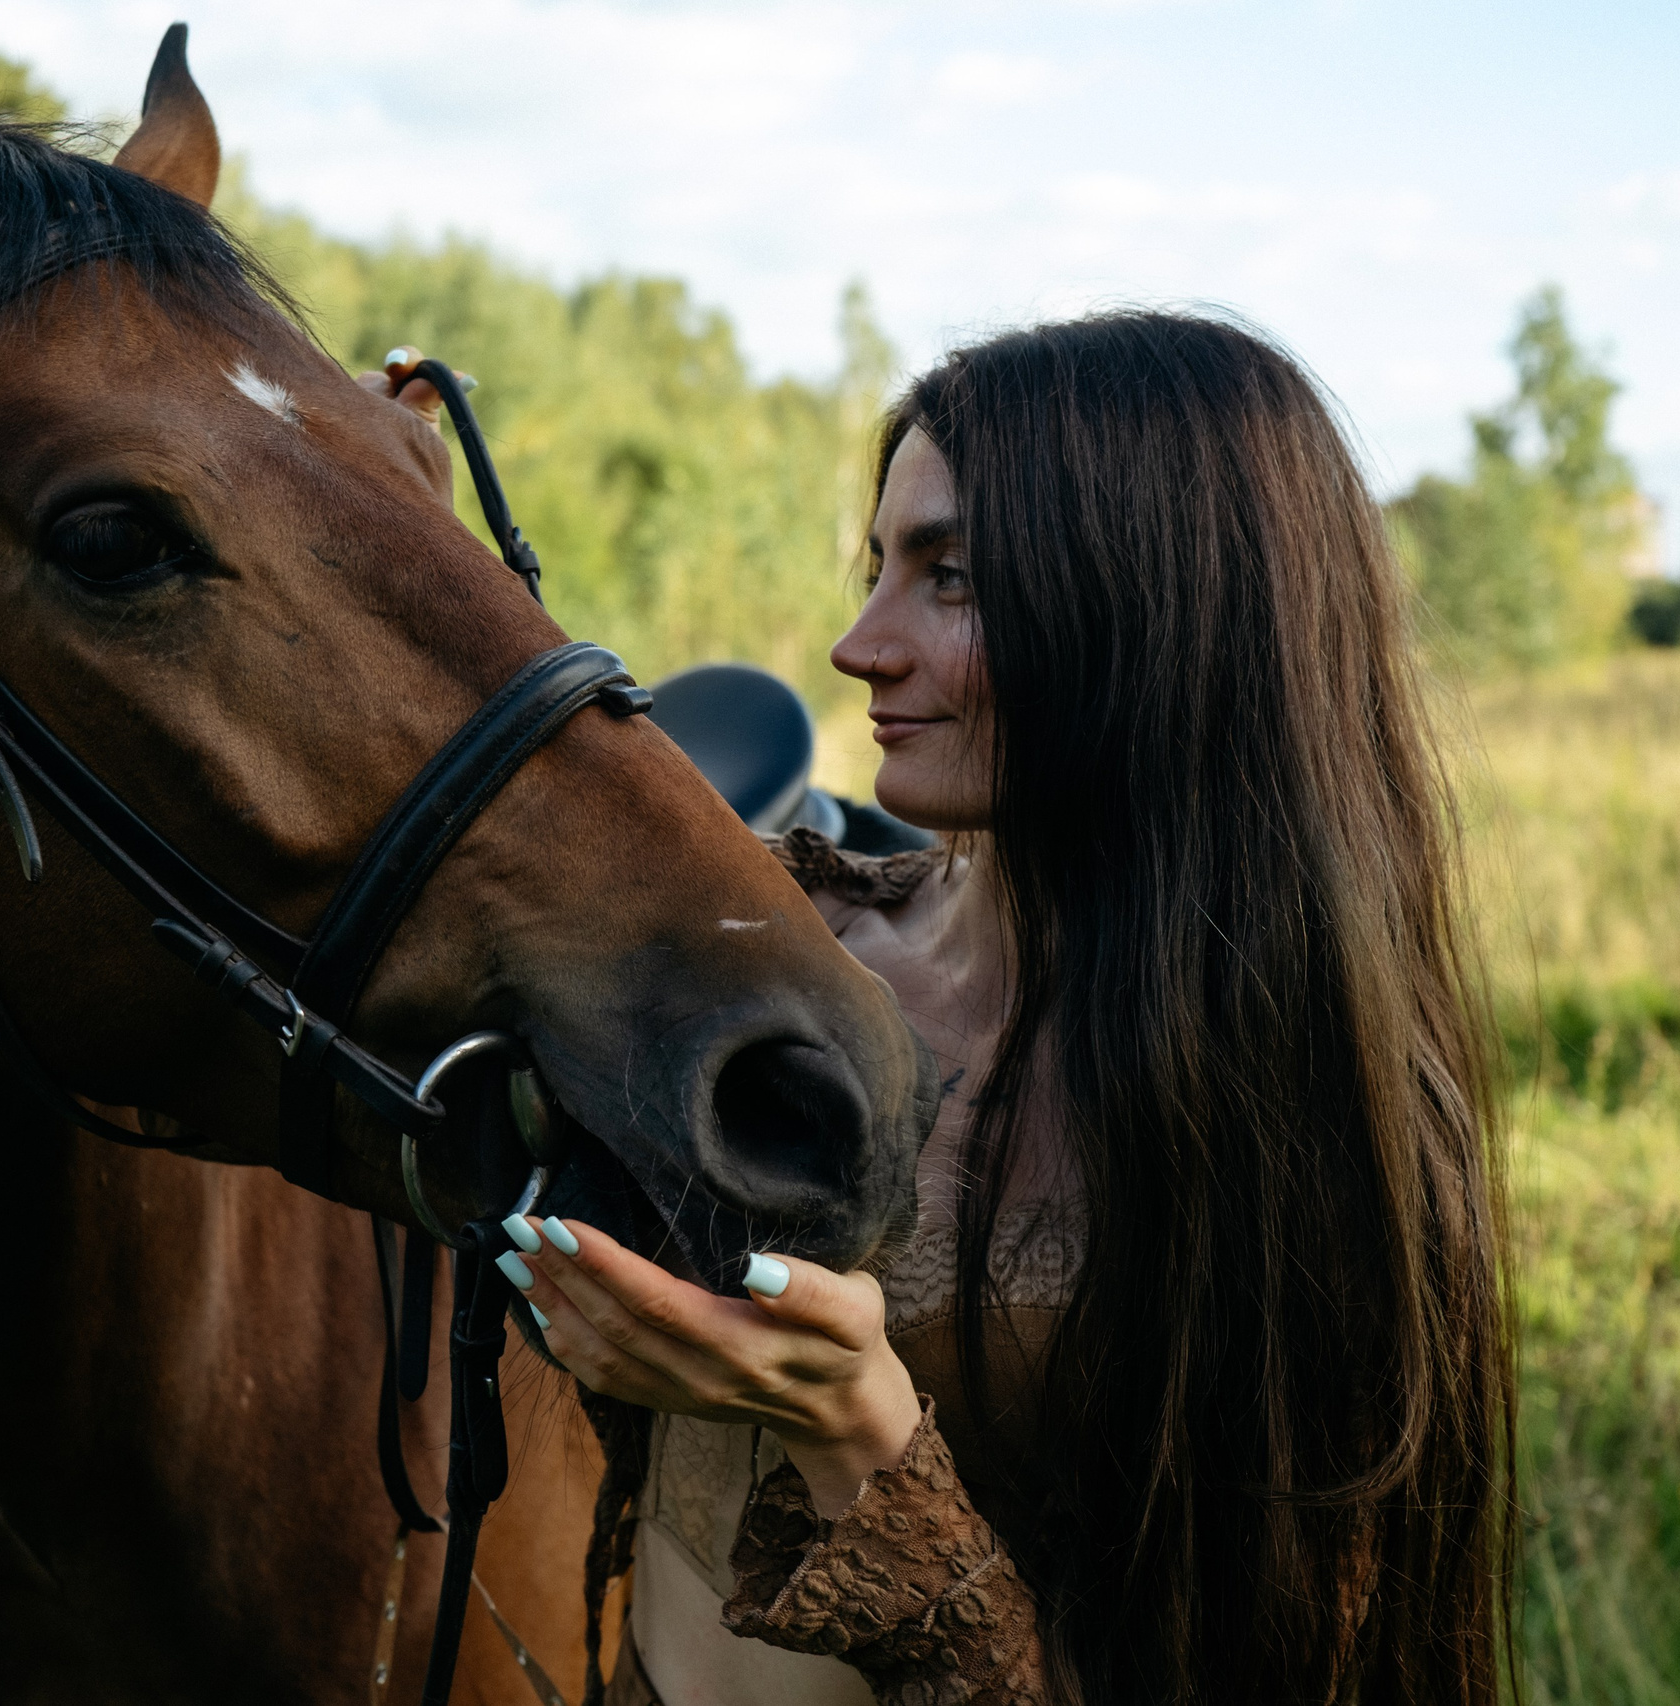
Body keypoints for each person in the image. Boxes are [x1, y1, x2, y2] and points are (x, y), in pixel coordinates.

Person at [367, 312, 1513, 1705]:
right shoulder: (783, 943)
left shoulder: (1319, 1138)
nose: (858, 646)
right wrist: (355, 511)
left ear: (1166, 605)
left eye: (950, 578)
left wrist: (857, 1427)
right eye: (876, 567)